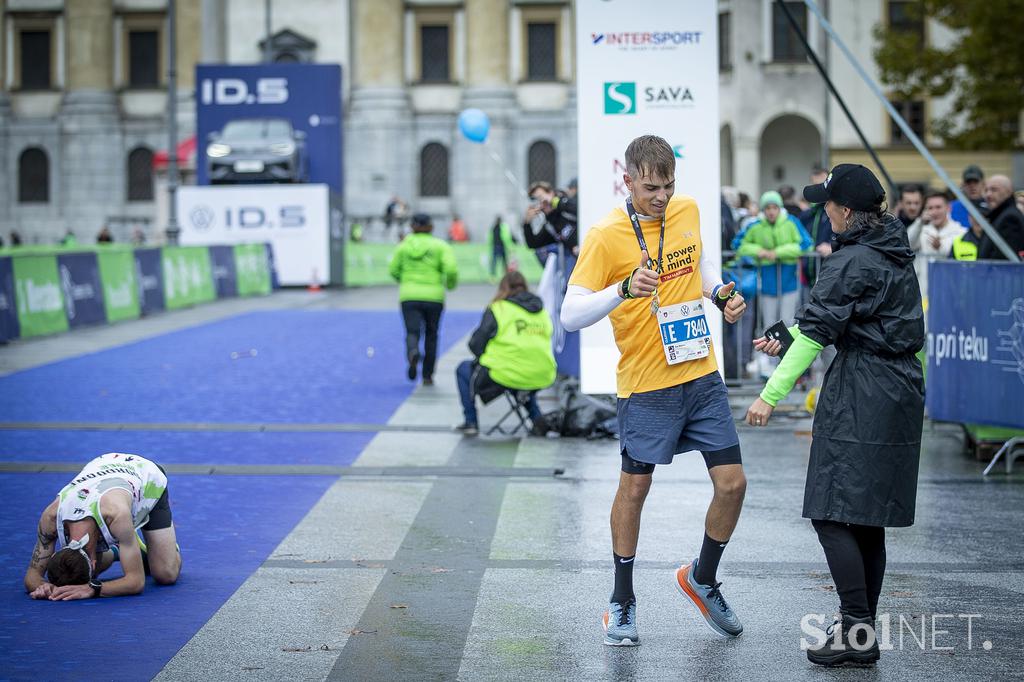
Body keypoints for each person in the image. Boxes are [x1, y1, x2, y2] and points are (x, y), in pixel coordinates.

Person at [560, 135, 749, 646]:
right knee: (635, 490)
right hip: (645, 384)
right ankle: (622, 600)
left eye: (667, 186)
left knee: (733, 484)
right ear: (628, 180)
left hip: (701, 374)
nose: (660, 197)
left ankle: (702, 578)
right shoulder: (606, 235)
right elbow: (570, 314)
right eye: (650, 188)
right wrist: (620, 290)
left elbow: (700, 266)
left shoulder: (686, 210)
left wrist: (721, 294)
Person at [745, 164, 924, 667]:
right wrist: (788, 336)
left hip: (864, 390)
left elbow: (823, 329)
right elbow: (842, 317)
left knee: (831, 509)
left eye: (827, 204)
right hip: (900, 388)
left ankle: (854, 628)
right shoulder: (892, 248)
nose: (823, 211)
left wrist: (769, 394)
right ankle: (861, 634)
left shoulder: (852, 260)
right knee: (867, 518)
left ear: (846, 210)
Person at [24, 453, 181, 600]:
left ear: (92, 564)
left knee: (165, 574)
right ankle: (121, 549)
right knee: (74, 571)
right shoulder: (50, 517)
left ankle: (165, 546)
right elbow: (32, 575)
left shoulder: (116, 515)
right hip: (101, 468)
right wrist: (45, 587)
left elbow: (136, 582)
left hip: (145, 474)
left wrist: (93, 588)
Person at [454, 271, 556, 436]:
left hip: (506, 372)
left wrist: (485, 356)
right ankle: (537, 418)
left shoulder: (498, 308)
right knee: (521, 376)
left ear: (503, 288)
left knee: (463, 369)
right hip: (543, 373)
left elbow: (475, 343)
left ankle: (470, 421)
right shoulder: (541, 311)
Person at [734, 190, 813, 378]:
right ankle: (770, 368)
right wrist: (759, 251)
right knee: (769, 326)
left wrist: (778, 253)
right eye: (767, 208)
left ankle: (789, 367)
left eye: (774, 208)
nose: (771, 212)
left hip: (790, 282)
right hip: (768, 284)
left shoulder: (791, 222)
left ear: (779, 208)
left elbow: (806, 244)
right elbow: (738, 244)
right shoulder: (755, 225)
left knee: (788, 324)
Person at [388, 213, 458, 385]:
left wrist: (404, 281)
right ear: (431, 227)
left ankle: (413, 352)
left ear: (412, 227)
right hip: (434, 297)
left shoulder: (403, 246)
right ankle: (428, 375)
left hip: (409, 295)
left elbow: (393, 270)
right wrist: (449, 284)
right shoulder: (440, 246)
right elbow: (451, 270)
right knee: (432, 334)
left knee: (412, 332)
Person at [907, 190, 965, 300]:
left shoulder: (961, 232)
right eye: (930, 208)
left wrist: (941, 248)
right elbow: (907, 243)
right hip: (924, 292)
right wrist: (920, 222)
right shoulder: (922, 230)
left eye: (938, 207)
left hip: (951, 292)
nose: (934, 212)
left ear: (948, 208)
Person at [522, 181, 579, 255]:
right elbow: (533, 244)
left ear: (551, 193)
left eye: (541, 197)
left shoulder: (566, 201)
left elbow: (580, 209)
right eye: (537, 200)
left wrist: (554, 201)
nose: (541, 203)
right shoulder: (551, 224)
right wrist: (527, 222)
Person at [978, 175, 1024, 260]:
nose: (988, 195)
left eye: (994, 190)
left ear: (1008, 192)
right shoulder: (999, 216)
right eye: (986, 190)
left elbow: (1003, 260)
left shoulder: (1010, 219)